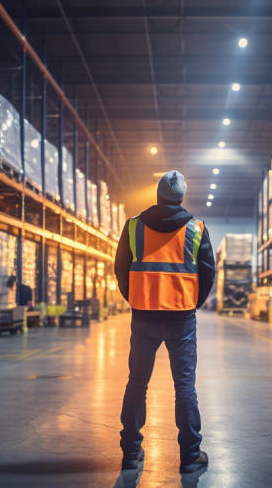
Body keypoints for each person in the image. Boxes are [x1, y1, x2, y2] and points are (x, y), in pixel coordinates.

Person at [113, 170, 216, 474]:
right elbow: (208, 272)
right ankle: (190, 456)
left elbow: (120, 268)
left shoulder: (133, 226)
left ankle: (131, 453)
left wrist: (134, 297)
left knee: (137, 384)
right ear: (181, 198)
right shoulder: (197, 229)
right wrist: (192, 302)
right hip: (181, 316)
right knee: (185, 386)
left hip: (144, 314)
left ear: (156, 196)